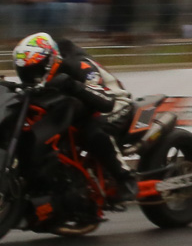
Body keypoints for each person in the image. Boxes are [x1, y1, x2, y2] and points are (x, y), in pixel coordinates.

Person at [12, 31, 136, 203]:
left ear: (49, 60)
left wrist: (72, 85)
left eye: (35, 70)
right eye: (25, 72)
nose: (31, 76)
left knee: (94, 129)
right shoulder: (45, 75)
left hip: (115, 102)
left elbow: (106, 101)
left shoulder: (78, 65)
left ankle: (125, 178)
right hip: (84, 107)